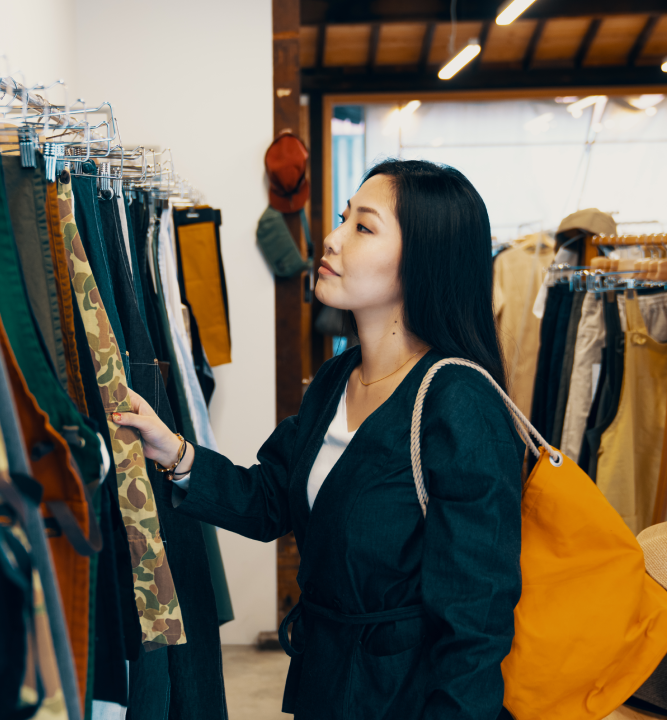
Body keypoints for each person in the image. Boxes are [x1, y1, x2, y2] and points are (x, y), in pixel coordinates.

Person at [115, 159, 524, 719]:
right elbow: (271, 500)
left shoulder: (459, 402)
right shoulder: (338, 378)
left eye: (363, 226)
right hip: (324, 682)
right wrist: (176, 453)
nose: (330, 239)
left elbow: (476, 620)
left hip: (407, 697)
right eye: (341, 218)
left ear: (424, 258)